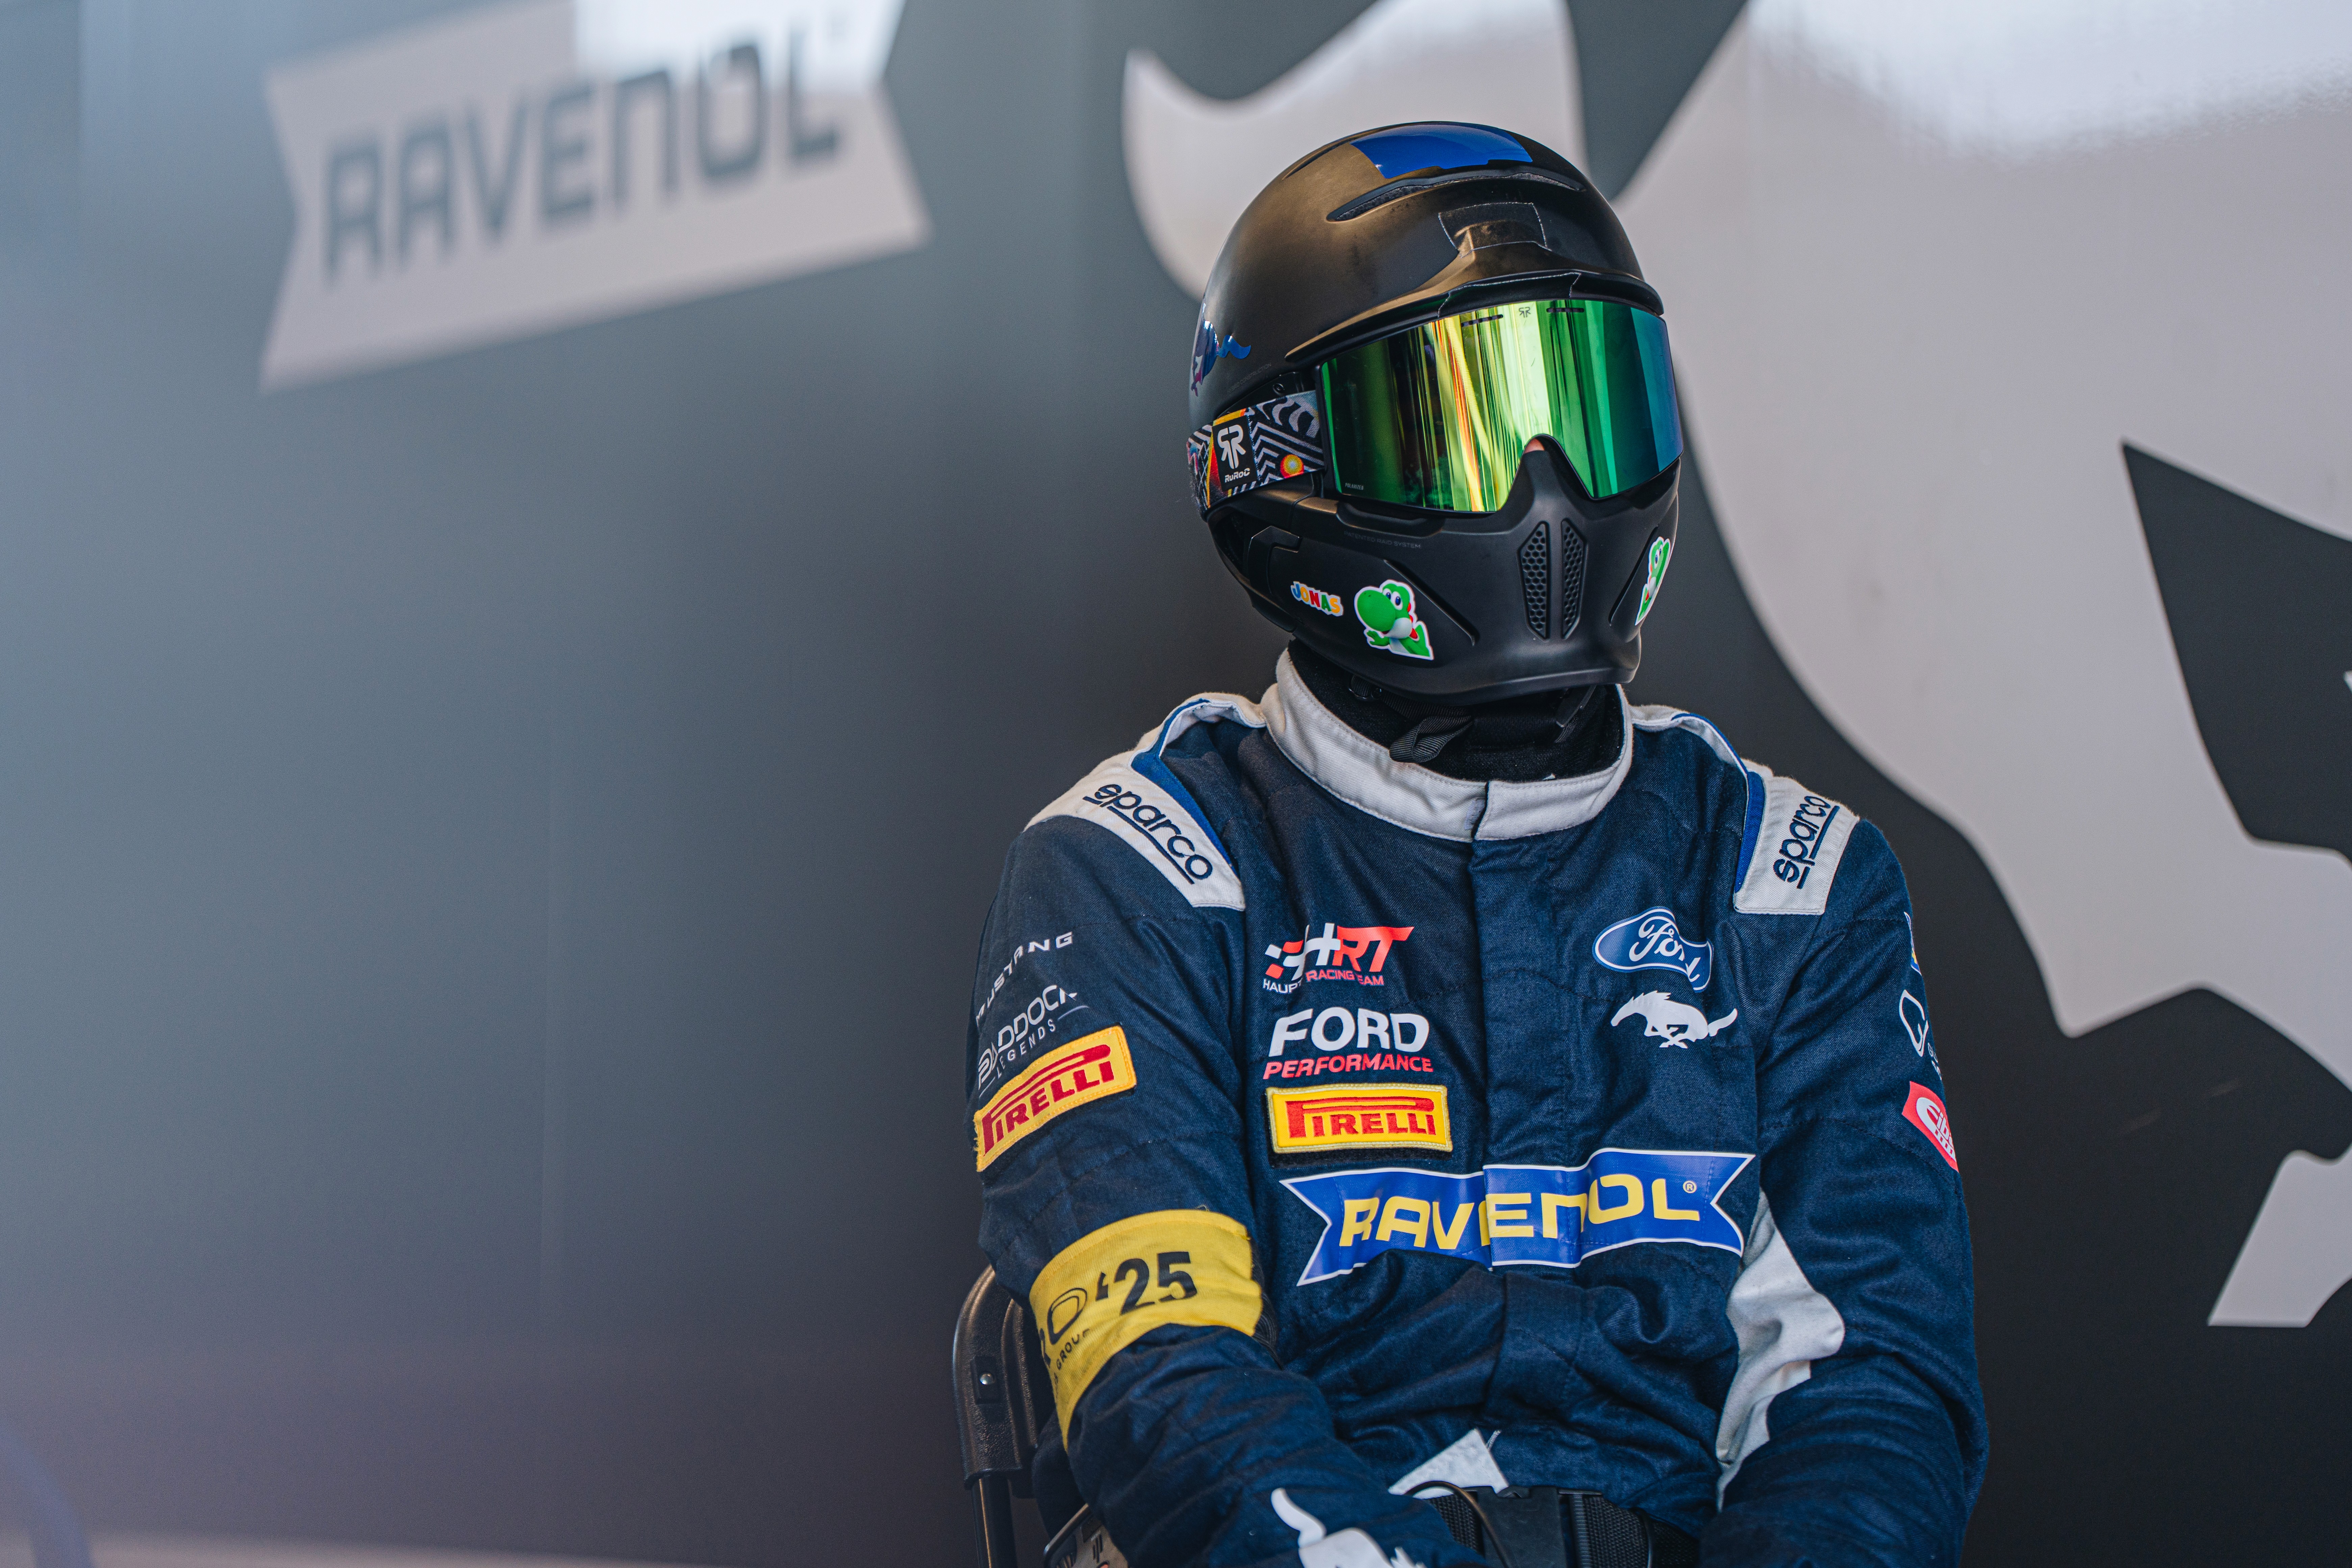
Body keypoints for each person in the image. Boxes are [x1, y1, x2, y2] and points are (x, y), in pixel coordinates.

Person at [966, 122, 1985, 1568]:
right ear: (1274, 466)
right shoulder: (1139, 869)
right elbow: (1171, 1388)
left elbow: (1871, 1389)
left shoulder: (1792, 876)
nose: (1547, 496)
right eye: (1462, 427)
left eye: (1588, 409)